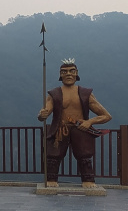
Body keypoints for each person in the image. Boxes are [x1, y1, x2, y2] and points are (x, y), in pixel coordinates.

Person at [37, 58, 112, 188]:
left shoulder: (85, 94)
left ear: (76, 73)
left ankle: (88, 180)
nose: (68, 74)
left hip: (80, 127)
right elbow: (45, 111)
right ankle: (51, 179)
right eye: (64, 72)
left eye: (71, 71)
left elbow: (106, 116)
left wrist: (89, 122)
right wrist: (42, 115)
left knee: (84, 156)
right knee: (54, 156)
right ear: (60, 74)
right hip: (60, 128)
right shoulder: (54, 94)